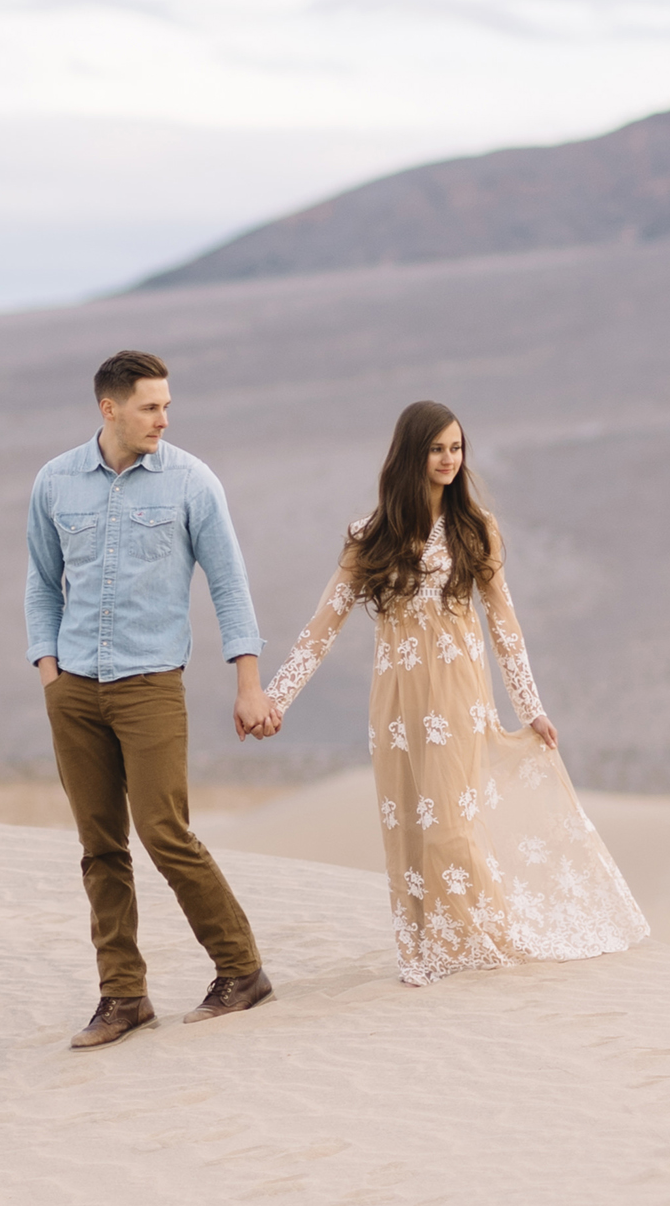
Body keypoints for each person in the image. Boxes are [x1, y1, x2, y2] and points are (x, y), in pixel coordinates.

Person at [247, 400, 647, 987]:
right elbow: (322, 625)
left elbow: (505, 627)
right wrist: (274, 697)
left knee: (451, 823)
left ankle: (474, 939)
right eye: (437, 449)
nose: (449, 460)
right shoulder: (371, 534)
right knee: (407, 821)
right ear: (412, 454)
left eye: (456, 448)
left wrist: (530, 708)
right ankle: (426, 944)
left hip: (459, 695)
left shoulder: (474, 528)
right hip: (395, 702)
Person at [28, 349, 276, 1050]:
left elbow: (230, 584)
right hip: (74, 688)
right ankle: (123, 995)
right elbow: (42, 582)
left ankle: (241, 969)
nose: (164, 418)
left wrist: (247, 681)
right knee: (99, 846)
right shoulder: (55, 482)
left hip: (149, 687)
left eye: (166, 404)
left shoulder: (191, 482)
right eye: (150, 406)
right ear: (110, 409)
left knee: (165, 831)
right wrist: (49, 670)